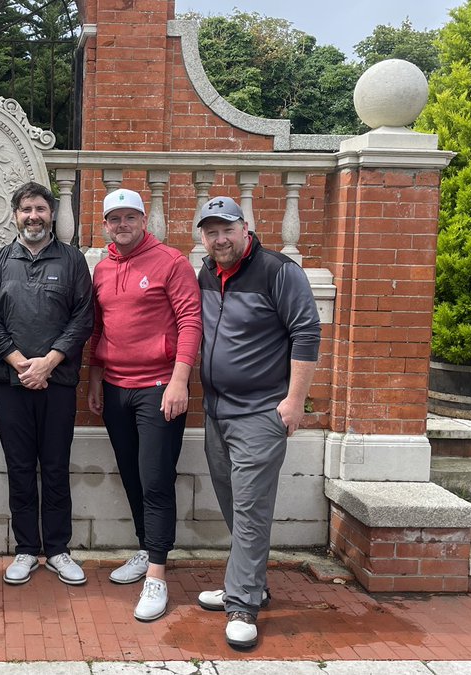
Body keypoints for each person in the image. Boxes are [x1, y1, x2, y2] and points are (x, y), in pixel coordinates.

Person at [194, 196, 321, 649]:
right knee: (233, 501)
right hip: (216, 411)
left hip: (261, 412)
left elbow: (307, 332)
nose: (219, 238)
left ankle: (243, 603)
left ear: (244, 227)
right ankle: (250, 582)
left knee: (250, 508)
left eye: (226, 229)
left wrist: (294, 401)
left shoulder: (278, 271)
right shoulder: (206, 272)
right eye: (210, 232)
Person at [86, 188, 201, 622]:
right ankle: (144, 547)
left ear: (143, 219)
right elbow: (98, 329)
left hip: (159, 388)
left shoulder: (171, 262)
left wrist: (179, 380)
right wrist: (96, 378)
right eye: (114, 219)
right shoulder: (101, 268)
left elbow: (192, 321)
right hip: (116, 388)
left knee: (155, 479)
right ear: (106, 226)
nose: (122, 225)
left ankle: (157, 573)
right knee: (132, 475)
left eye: (129, 217)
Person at [0, 181, 94, 586]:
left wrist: (48, 362)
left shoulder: (73, 261)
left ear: (52, 215)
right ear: (15, 215)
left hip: (58, 383)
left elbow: (83, 318)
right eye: (26, 209)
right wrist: (19, 362)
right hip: (11, 384)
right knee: (21, 468)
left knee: (57, 467)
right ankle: (26, 549)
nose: (33, 216)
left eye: (41, 209)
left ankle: (58, 549)